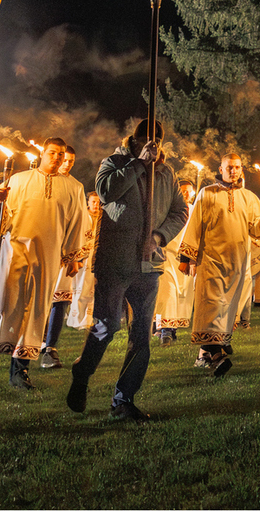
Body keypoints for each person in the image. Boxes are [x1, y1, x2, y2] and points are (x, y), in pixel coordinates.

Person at [66, 120, 189, 422]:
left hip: (149, 265)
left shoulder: (166, 173)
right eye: (147, 140)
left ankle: (123, 400)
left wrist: (159, 237)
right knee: (106, 326)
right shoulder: (114, 162)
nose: (154, 146)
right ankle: (82, 373)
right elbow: (106, 191)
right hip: (115, 261)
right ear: (135, 141)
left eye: (158, 141)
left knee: (141, 336)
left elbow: (180, 211)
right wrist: (137, 165)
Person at [0, 139, 89, 390]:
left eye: (61, 154)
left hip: (48, 255)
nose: (57, 158)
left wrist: (73, 257)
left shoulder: (74, 188)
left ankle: (20, 370)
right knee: (5, 302)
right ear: (42, 153)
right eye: (52, 153)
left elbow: (78, 223)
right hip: (15, 251)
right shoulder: (16, 180)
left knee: (36, 310)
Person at [178, 154, 260, 376]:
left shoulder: (249, 198)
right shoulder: (207, 193)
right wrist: (186, 257)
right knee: (211, 306)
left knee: (226, 309)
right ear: (220, 169)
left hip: (236, 263)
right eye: (229, 167)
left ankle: (206, 354)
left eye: (237, 167)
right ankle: (218, 356)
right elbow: (195, 225)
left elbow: (258, 232)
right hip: (210, 261)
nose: (233, 171)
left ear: (242, 170)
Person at [42, 188, 104, 368]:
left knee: (86, 299)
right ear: (87, 202)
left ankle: (82, 349)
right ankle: (46, 344)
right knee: (57, 298)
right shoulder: (80, 217)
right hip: (71, 261)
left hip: (90, 264)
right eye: (93, 201)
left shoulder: (102, 220)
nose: (96, 205)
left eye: (99, 202)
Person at [154, 180, 197, 346]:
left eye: (189, 191)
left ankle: (173, 330)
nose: (186, 194)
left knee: (183, 297)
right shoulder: (167, 209)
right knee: (168, 294)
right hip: (169, 257)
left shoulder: (195, 210)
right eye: (183, 191)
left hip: (187, 258)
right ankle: (165, 330)